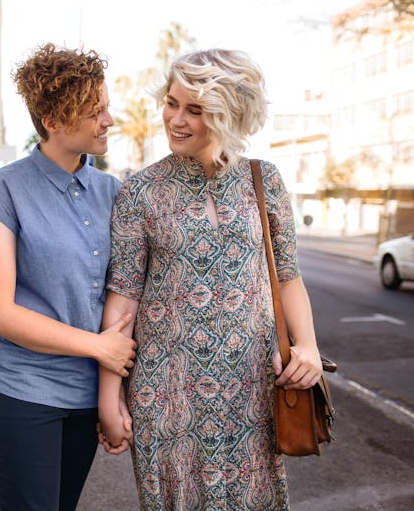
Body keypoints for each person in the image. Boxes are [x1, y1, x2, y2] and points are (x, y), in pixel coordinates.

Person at [98, 49, 323, 510]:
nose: (175, 119)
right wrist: (109, 396)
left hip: (254, 389)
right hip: (167, 391)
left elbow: (287, 277)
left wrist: (310, 348)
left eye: (195, 110)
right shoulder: (140, 191)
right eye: (171, 102)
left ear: (228, 115)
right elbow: (123, 299)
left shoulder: (265, 180)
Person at [0, 43, 137, 511]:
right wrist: (99, 347)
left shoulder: (113, 192)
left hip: (83, 392)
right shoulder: (1, 191)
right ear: (53, 121)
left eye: (107, 107)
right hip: (18, 387)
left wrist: (110, 396)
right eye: (94, 111)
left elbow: (123, 297)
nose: (109, 121)